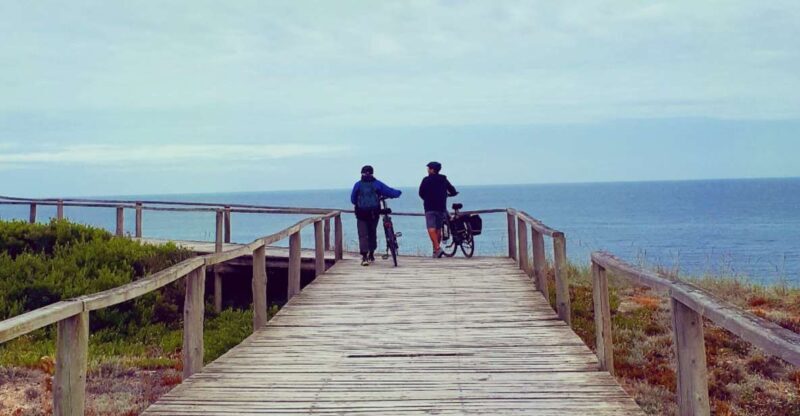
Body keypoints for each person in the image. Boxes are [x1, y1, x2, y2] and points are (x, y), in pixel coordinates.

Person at [351, 165, 402, 266]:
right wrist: (399, 193)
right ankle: (372, 253)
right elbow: (390, 192)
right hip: (374, 214)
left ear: (361, 173)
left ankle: (364, 257)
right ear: (372, 173)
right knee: (372, 233)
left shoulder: (358, 185)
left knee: (363, 234)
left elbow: (353, 200)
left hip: (361, 214)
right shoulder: (377, 184)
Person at [418, 161, 458, 257]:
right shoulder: (443, 179)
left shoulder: (426, 180)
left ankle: (437, 248)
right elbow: (452, 190)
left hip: (429, 207)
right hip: (441, 206)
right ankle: (435, 251)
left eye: (428, 168)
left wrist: (426, 198)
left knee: (431, 228)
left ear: (432, 170)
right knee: (438, 228)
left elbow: (420, 193)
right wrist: (448, 195)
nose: (427, 170)